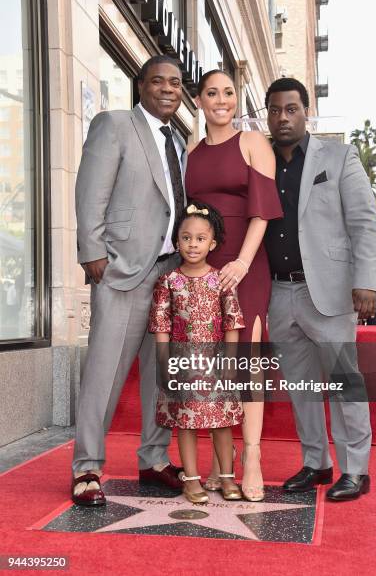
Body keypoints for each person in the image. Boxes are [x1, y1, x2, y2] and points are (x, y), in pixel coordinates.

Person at [72, 55, 186, 506]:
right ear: (140, 85)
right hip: (121, 269)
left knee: (161, 375)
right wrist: (92, 251)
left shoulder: (177, 140)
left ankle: (153, 458)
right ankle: (87, 468)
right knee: (105, 371)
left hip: (169, 270)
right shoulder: (115, 124)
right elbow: (90, 191)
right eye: (157, 81)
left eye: (175, 83)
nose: (167, 89)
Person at [265, 77, 376, 501]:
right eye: (275, 110)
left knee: (342, 382)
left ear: (305, 111)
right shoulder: (261, 161)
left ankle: (356, 469)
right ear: (268, 114)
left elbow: (365, 223)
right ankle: (316, 463)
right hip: (280, 293)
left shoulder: (340, 156)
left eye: (291, 109)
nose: (283, 118)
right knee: (300, 387)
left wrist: (366, 281)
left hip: (330, 291)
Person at [186, 70, 283, 501]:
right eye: (212, 93)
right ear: (200, 99)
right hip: (204, 268)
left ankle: (253, 457)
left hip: (246, 264)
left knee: (246, 363)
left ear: (236, 99)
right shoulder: (191, 149)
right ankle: (218, 462)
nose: (221, 100)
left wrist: (243, 261)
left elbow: (262, 211)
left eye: (228, 93)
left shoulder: (253, 142)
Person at [149, 202, 245, 504]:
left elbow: (232, 321)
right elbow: (161, 324)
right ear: (177, 241)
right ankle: (191, 480)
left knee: (221, 422)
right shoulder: (168, 282)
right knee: (185, 423)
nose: (193, 244)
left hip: (217, 365)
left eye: (200, 238)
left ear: (212, 243)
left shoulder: (222, 281)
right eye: (186, 237)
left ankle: (228, 477)